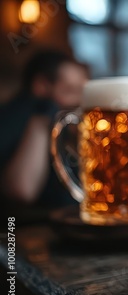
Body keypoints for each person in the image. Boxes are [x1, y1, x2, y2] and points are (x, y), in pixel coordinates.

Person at [0, 49, 88, 213]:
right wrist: (43, 121)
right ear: (41, 86)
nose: (79, 101)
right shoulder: (21, 117)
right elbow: (21, 190)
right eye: (71, 90)